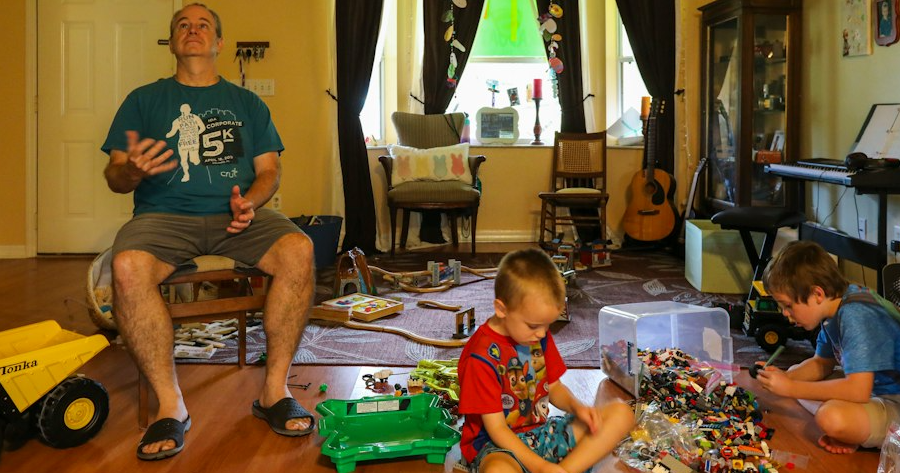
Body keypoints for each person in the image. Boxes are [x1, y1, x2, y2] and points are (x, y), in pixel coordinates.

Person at [101, 3, 316, 461]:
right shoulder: (142, 100)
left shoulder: (248, 103)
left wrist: (250, 202)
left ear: (218, 42)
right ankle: (170, 405)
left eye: (203, 25)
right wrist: (132, 171)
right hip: (163, 218)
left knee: (299, 248)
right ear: (172, 42)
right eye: (183, 24)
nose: (192, 29)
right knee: (127, 266)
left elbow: (270, 171)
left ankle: (274, 392)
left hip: (237, 216)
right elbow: (115, 175)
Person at [458, 249, 634, 472]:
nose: (542, 333)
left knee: (621, 413)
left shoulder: (535, 335)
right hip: (497, 447)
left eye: (547, 325)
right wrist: (541, 466)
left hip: (542, 435)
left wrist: (577, 407)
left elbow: (554, 387)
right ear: (502, 309)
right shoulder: (480, 358)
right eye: (534, 325)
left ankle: (564, 470)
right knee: (497, 470)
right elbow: (497, 430)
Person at [758, 240, 900, 454]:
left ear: (817, 294)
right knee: (795, 373)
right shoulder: (835, 309)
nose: (785, 314)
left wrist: (789, 387)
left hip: (893, 399)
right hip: (872, 388)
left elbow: (858, 390)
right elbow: (821, 363)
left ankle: (858, 433)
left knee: (830, 417)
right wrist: (782, 377)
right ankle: (858, 432)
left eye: (788, 305)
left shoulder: (855, 315)